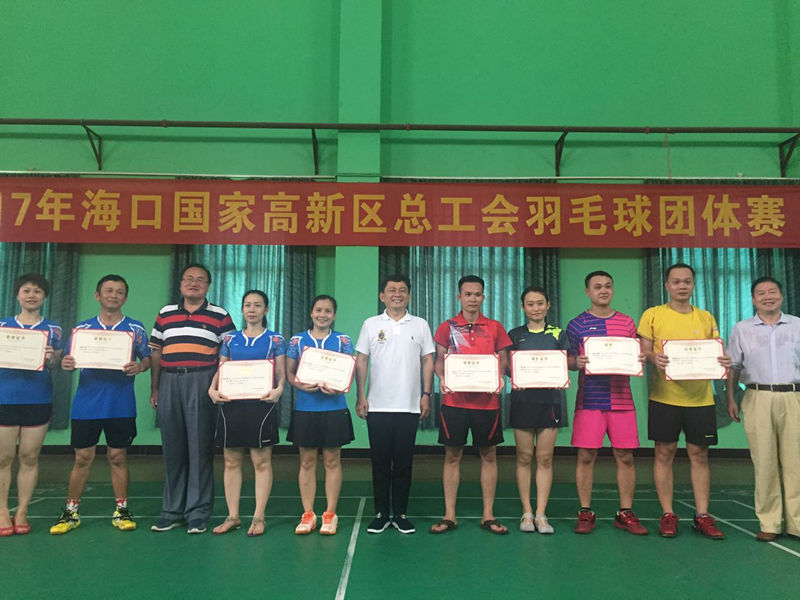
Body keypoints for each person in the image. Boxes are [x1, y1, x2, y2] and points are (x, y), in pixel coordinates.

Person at [49, 274, 151, 535]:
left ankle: (122, 509)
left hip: (121, 405)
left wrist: (139, 366)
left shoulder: (135, 328)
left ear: (125, 298)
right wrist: (66, 363)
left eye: (119, 292)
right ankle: (71, 512)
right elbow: (67, 359)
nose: (113, 295)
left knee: (117, 457)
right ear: (98, 295)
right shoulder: (82, 329)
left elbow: (148, 358)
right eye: (108, 290)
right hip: (87, 405)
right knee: (82, 458)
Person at [638, 262, 731, 539]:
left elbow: (715, 351)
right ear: (667, 285)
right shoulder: (653, 315)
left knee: (699, 455)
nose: (682, 286)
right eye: (676, 281)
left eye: (687, 281)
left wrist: (722, 360)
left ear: (693, 285)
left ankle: (702, 515)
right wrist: (654, 357)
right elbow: (643, 353)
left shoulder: (705, 317)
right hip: (664, 397)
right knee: (664, 453)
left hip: (700, 399)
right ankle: (668, 514)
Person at [149, 264, 235, 534]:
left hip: (202, 381)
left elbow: (228, 355)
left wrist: (218, 387)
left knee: (200, 449)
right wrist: (155, 388)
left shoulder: (220, 315)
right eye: (189, 279)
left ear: (208, 286)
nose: (194, 283)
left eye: (200, 280)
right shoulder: (165, 313)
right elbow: (156, 352)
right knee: (172, 448)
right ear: (181, 283)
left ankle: (198, 512)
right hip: (169, 381)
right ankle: (172, 511)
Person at [430, 275, 512, 535]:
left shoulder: (496, 327)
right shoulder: (447, 327)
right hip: (454, 402)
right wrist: (442, 379)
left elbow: (504, 361)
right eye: (468, 294)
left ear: (483, 297)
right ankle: (449, 515)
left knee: (489, 455)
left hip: (487, 404)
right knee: (452, 455)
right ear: (459, 297)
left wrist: (499, 378)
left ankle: (488, 515)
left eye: (477, 294)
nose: (472, 299)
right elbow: (439, 360)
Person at [566, 271, 647, 535]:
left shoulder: (627, 323)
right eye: (597, 287)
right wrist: (576, 362)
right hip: (589, 400)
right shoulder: (576, 325)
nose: (603, 291)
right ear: (587, 292)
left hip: (622, 400)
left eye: (608, 286)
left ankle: (625, 512)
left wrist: (639, 358)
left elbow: (635, 354)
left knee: (625, 456)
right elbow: (567, 360)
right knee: (586, 456)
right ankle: (585, 511)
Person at [355, 274, 435, 535]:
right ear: (382, 296)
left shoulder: (420, 325)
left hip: (409, 406)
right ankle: (381, 513)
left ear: (409, 296)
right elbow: (362, 360)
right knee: (379, 462)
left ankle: (400, 514)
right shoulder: (370, 324)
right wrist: (360, 395)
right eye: (391, 290)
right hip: (377, 405)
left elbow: (428, 361)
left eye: (402, 290)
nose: (397, 294)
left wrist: (426, 394)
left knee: (403, 463)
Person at [726, 276, 800, 542]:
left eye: (772, 292)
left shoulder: (797, 325)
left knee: (796, 463)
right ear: (753, 299)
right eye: (761, 293)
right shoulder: (742, 329)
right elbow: (733, 367)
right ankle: (769, 522)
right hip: (757, 397)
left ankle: (797, 523)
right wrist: (731, 399)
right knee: (764, 461)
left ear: (781, 295)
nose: (768, 297)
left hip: (794, 397)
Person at [208, 290, 286, 537]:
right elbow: (222, 367)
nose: (252, 309)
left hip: (261, 406)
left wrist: (279, 390)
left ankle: (258, 517)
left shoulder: (275, 340)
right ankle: (233, 516)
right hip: (231, 404)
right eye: (248, 305)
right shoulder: (230, 339)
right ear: (242, 309)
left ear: (266, 310)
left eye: (258, 305)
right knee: (231, 461)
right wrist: (212, 389)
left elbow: (281, 374)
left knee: (261, 462)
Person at [0, 274, 63, 537]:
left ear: (44, 297)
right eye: (26, 290)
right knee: (3, 458)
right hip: (4, 399)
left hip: (38, 399)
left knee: (29, 457)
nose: (31, 295)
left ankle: (22, 511)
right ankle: (2, 511)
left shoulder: (53, 329)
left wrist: (51, 358)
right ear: (17, 295)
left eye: (37, 291)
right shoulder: (2, 326)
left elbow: (58, 363)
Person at [286, 295, 354, 536]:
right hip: (306, 409)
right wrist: (300, 385)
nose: (322, 315)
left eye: (327, 311)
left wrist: (339, 388)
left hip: (334, 408)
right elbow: (290, 373)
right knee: (306, 461)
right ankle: (308, 514)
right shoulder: (297, 340)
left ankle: (330, 513)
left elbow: (348, 373)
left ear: (334, 315)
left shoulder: (343, 340)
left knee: (332, 461)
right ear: (311, 313)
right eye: (318, 310)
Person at [507, 285, 568, 534]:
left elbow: (566, 362)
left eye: (540, 303)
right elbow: (507, 367)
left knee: (544, 458)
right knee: (524, 457)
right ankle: (527, 512)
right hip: (522, 402)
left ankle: (541, 514)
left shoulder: (558, 334)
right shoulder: (514, 335)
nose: (536, 308)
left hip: (550, 402)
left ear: (548, 305)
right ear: (523, 307)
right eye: (530, 304)